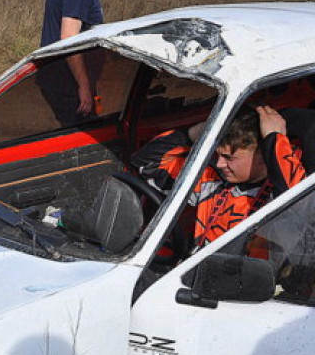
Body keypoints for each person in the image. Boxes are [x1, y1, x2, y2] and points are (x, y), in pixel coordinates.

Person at [131, 105, 305, 250]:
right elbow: (145, 162)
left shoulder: (283, 193)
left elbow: (299, 199)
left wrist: (275, 138)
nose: (220, 164)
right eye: (219, 155)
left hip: (255, 284)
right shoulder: (211, 181)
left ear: (264, 157)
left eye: (229, 158)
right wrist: (197, 133)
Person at [38, 0, 126, 126]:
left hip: (62, 76)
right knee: (87, 139)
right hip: (66, 79)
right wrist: (83, 85)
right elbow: (68, 38)